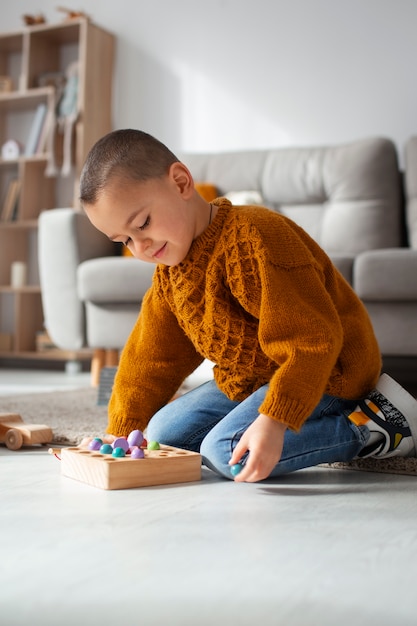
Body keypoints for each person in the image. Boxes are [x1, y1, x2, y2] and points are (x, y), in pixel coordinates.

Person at [79, 129, 417, 483]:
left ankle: (373, 426)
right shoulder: (170, 275)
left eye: (143, 224)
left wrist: (274, 420)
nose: (141, 247)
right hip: (252, 378)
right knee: (162, 434)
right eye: (125, 241)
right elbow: (150, 360)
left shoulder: (256, 238)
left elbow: (312, 343)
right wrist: (122, 429)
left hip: (327, 370)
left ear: (180, 183)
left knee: (225, 450)